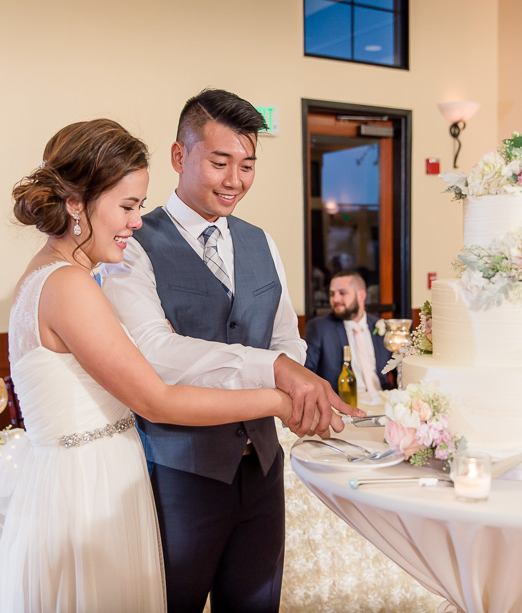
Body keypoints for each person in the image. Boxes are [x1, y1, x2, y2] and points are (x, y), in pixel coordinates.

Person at [0, 119, 331, 612]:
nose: (137, 221)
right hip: (89, 491)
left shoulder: (60, 276)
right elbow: (156, 397)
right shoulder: (69, 285)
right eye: (127, 206)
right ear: (77, 204)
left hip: (95, 480)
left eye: (139, 206)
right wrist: (280, 396)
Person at [101, 89, 361, 612]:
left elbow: (287, 338)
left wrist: (289, 368)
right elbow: (153, 352)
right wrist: (275, 370)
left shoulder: (260, 241)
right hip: (178, 471)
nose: (235, 180)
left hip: (262, 467)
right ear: (180, 156)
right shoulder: (131, 243)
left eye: (247, 165)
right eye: (220, 162)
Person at [304, 270, 395, 394]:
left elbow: (399, 366)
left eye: (342, 293)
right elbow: (306, 372)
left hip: (382, 397)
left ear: (361, 296)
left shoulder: (381, 326)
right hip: (342, 401)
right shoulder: (319, 328)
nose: (335, 299)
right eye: (332, 294)